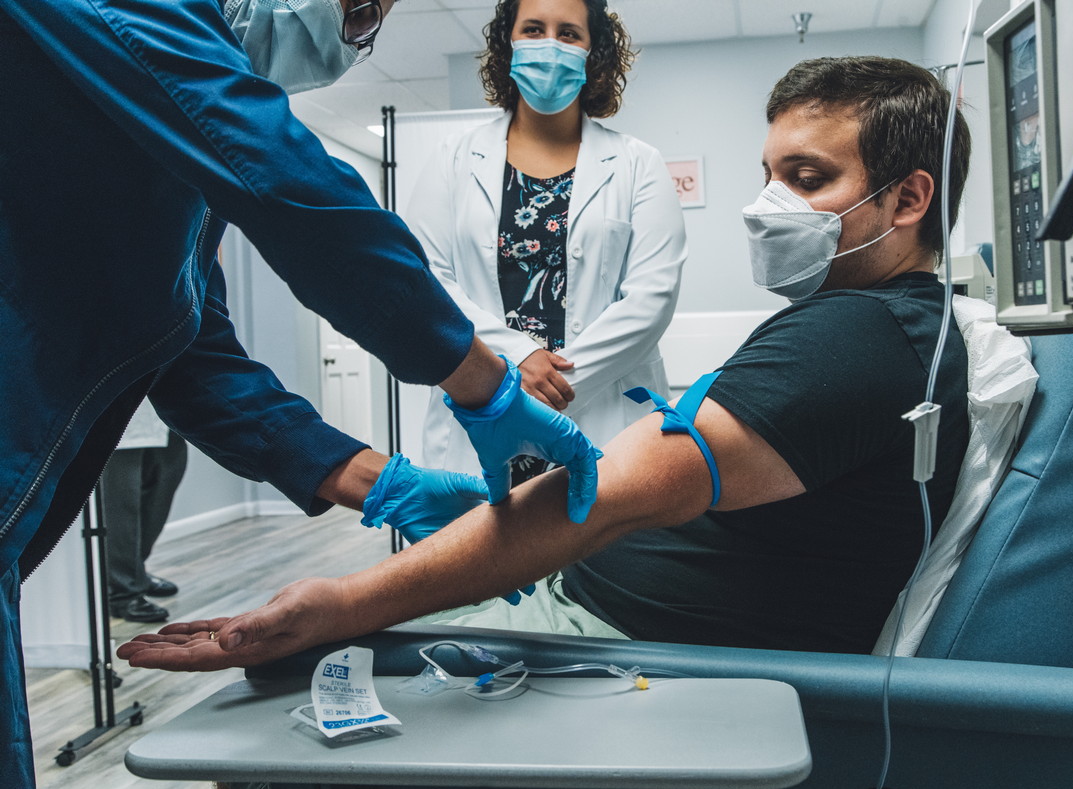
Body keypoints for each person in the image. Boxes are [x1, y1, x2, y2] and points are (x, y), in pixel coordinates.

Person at [118, 55, 973, 668]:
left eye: (808, 176)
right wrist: (402, 469)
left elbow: (594, 502)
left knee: (286, 708)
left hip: (617, 644)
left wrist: (345, 599)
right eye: (769, 174)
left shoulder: (856, 335)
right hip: (580, 598)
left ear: (907, 198)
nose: (768, 206)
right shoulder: (863, 326)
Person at [0, 1, 602, 789]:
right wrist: (486, 387)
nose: (353, 33)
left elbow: (192, 350)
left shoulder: (151, 128)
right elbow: (291, 186)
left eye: (373, 20)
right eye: (354, 6)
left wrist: (383, 483)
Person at [414, 0, 686, 483]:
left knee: (600, 551)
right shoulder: (452, 159)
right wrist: (515, 363)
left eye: (569, 34)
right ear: (508, 44)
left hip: (600, 409)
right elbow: (427, 280)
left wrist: (553, 386)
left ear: (593, 52)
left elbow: (651, 298)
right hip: (486, 403)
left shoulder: (637, 163)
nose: (549, 46)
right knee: (488, 550)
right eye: (533, 29)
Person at [99, 402, 189, 623]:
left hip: (163, 410)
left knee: (164, 481)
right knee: (121, 504)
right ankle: (122, 592)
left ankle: (134, 571)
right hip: (118, 412)